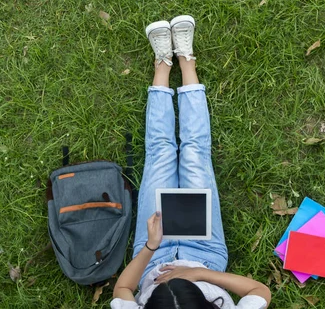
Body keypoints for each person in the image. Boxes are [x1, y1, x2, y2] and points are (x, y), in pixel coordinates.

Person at [111, 16, 271, 308]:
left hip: (152, 255)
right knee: (195, 153)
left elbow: (122, 289)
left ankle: (162, 65)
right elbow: (259, 292)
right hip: (205, 251)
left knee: (159, 154)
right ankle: (186, 62)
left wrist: (150, 246)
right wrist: (200, 272)